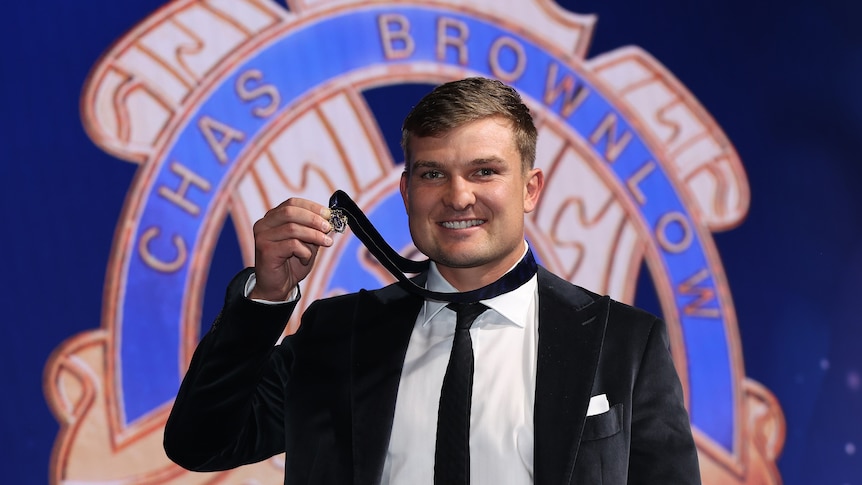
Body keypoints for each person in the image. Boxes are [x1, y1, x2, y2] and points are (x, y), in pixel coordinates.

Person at [164, 77, 702, 484]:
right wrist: (267, 299)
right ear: (406, 192)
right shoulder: (338, 335)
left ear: (531, 189)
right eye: (432, 173)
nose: (457, 196)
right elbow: (200, 443)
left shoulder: (627, 341)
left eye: (484, 171)